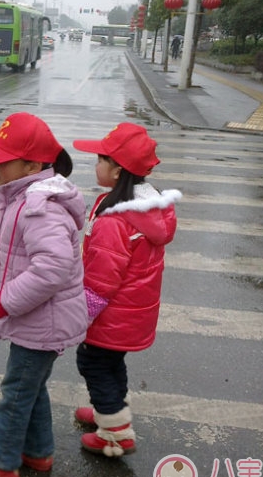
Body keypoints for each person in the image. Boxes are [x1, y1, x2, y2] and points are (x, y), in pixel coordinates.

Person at [0, 112, 89, 477]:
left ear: (32, 165)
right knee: (31, 387)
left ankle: (1, 464)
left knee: (16, 392)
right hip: (39, 318)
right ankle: (38, 451)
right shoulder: (22, 198)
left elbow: (52, 269)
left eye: (3, 161)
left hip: (42, 322)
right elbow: (8, 256)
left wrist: (4, 302)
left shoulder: (39, 207)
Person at [70, 123, 182, 457]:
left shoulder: (114, 221)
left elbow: (101, 282)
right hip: (131, 314)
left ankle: (116, 434)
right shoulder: (146, 209)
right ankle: (110, 408)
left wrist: (79, 317)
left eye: (100, 159)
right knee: (110, 362)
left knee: (93, 363)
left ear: (118, 170)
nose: (95, 165)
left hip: (110, 314)